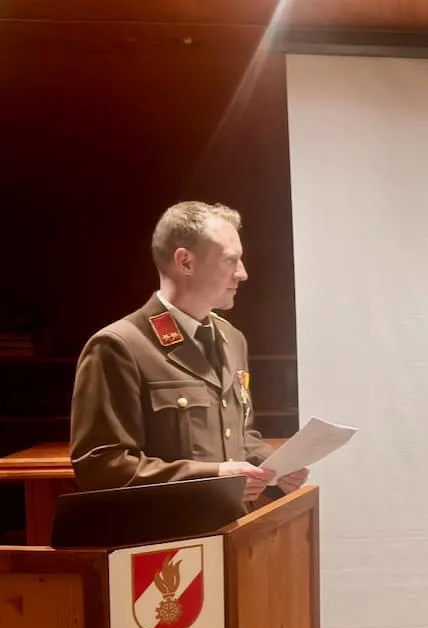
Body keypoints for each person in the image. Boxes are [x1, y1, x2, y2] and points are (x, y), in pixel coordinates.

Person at [69, 201, 307, 503]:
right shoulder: (119, 346)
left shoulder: (232, 339)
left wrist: (273, 467)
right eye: (230, 260)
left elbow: (238, 435)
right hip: (170, 528)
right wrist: (211, 477)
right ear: (185, 262)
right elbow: (100, 466)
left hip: (236, 523)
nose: (242, 273)